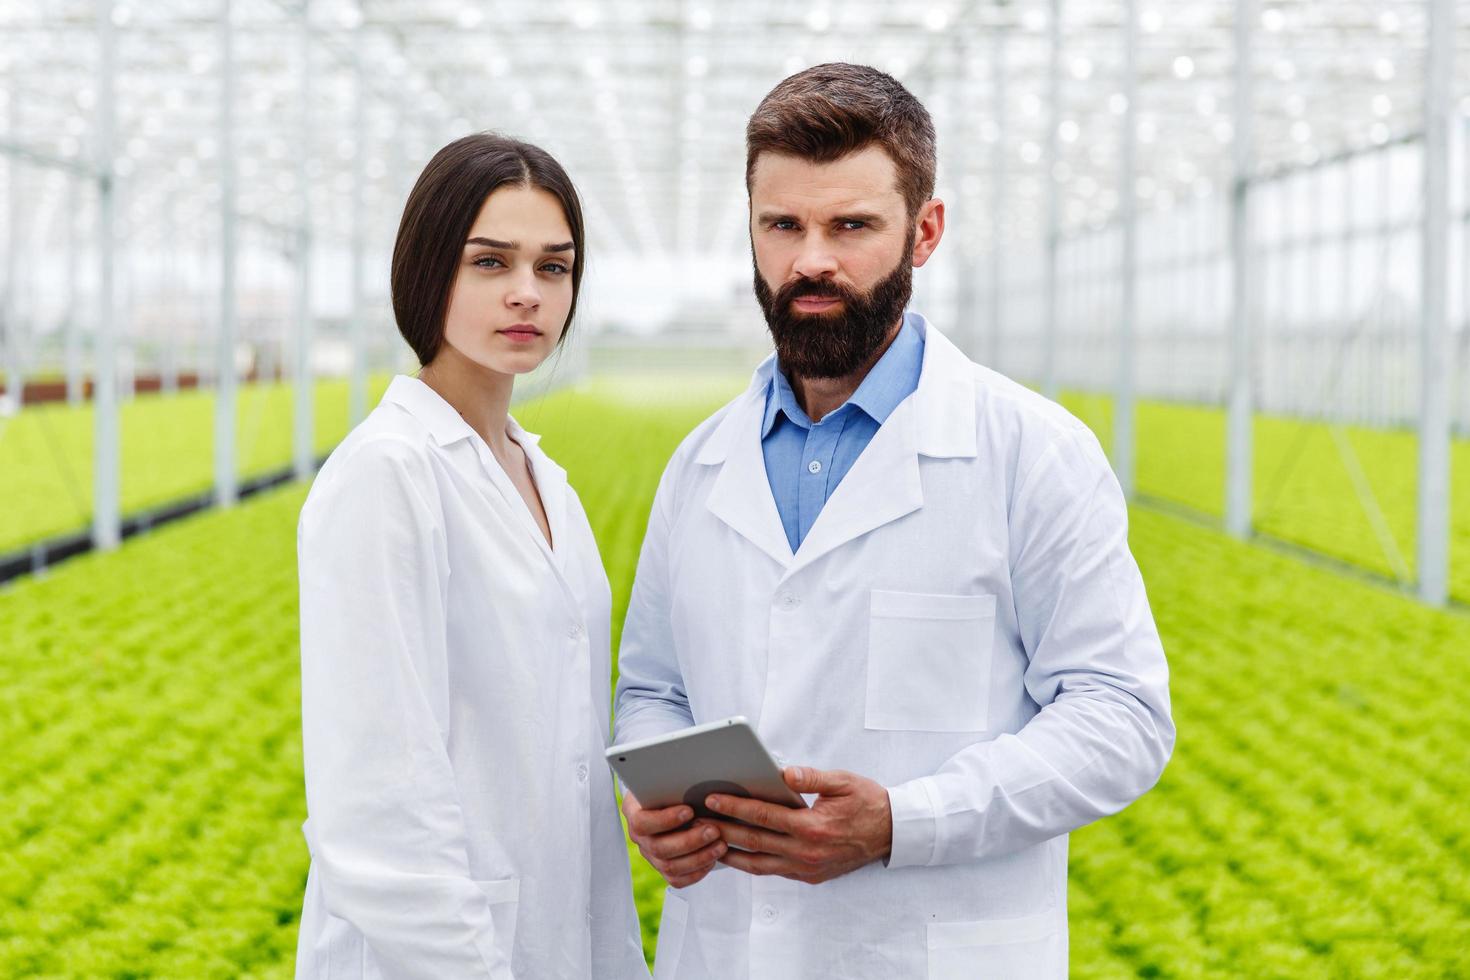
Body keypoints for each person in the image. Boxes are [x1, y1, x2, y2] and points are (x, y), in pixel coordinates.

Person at [615, 64, 1175, 978]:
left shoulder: (1030, 451)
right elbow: (652, 688)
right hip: (728, 949)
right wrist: (660, 803)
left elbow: (1122, 715)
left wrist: (902, 824)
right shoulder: (701, 465)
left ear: (925, 233)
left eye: (852, 226)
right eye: (783, 225)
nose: (811, 260)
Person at [294, 133, 648, 979]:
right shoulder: (388, 476)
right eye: (490, 263)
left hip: (557, 939)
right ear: (426, 271)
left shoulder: (543, 478)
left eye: (553, 268)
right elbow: (379, 810)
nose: (527, 294)